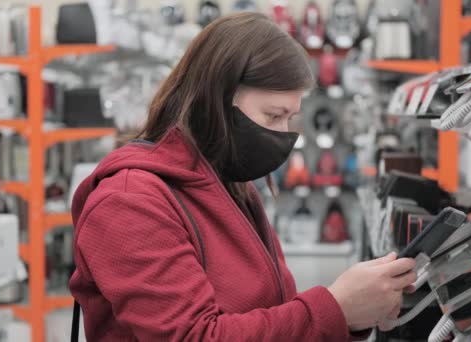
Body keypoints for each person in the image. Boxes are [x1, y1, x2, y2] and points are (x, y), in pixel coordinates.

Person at [69, 12, 416, 341]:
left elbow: (273, 312)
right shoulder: (130, 201)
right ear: (217, 100)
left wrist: (354, 314)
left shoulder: (229, 183)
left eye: (291, 119)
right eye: (273, 116)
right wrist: (335, 309)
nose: (284, 135)